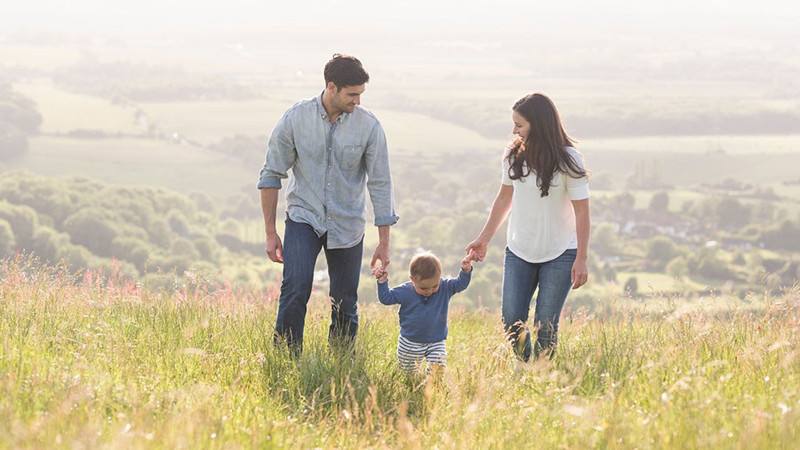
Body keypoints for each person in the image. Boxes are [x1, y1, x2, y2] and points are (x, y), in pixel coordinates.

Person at [258, 54, 399, 352]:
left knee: (345, 299)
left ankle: (342, 363)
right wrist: (271, 233)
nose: (358, 101)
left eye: (361, 94)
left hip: (348, 224)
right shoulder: (296, 118)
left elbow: (380, 184)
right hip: (303, 218)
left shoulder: (369, 127)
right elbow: (271, 175)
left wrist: (384, 242)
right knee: (295, 288)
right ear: (331, 87)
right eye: (352, 94)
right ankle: (285, 357)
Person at [465, 93, 591, 361]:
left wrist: (581, 258)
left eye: (519, 125)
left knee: (545, 325)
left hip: (560, 253)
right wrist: (484, 239)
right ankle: (527, 369)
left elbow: (582, 211)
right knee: (512, 320)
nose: (514, 130)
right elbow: (503, 198)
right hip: (519, 250)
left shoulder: (570, 159)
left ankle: (543, 377)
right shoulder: (513, 154)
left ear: (539, 124)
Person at [373, 251, 474, 373]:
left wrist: (465, 271)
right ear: (413, 280)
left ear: (439, 277)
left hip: (436, 341)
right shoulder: (406, 291)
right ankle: (413, 388)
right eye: (424, 288)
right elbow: (386, 298)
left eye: (434, 286)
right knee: (409, 375)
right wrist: (382, 282)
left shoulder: (445, 287)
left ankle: (432, 389)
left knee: (437, 371)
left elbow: (460, 284)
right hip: (410, 342)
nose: (430, 291)